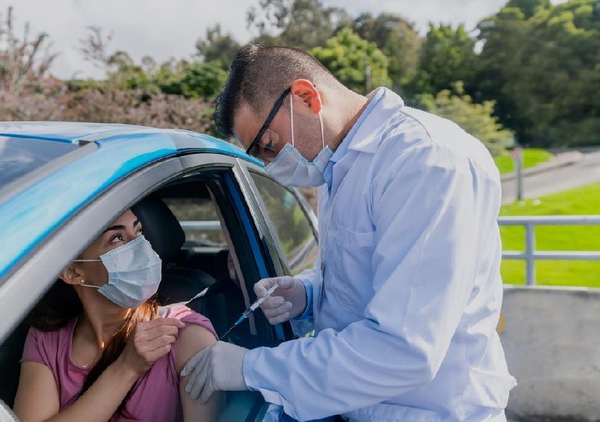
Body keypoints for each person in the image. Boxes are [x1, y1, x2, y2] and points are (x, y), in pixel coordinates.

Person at [182, 44, 517, 421]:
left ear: (306, 96)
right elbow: (370, 277)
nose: (270, 167)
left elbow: (405, 349)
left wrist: (250, 368)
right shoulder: (338, 167)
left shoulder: (426, 161)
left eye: (269, 145)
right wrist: (308, 295)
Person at [13, 209, 221, 421]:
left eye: (138, 232)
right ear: (73, 272)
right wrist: (126, 368)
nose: (139, 246)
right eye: (116, 238)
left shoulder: (186, 335)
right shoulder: (47, 338)